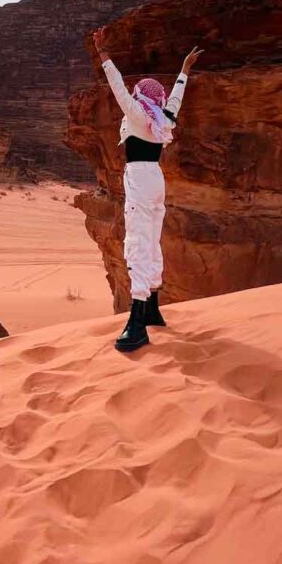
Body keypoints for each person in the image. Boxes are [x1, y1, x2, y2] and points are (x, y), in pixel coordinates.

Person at [93, 27, 202, 352]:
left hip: (140, 179)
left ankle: (137, 323)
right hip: (156, 179)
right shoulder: (164, 117)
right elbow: (176, 98)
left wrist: (104, 56)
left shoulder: (139, 114)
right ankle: (152, 307)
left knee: (139, 242)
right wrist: (184, 70)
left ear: (141, 96)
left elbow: (117, 89)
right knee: (152, 239)